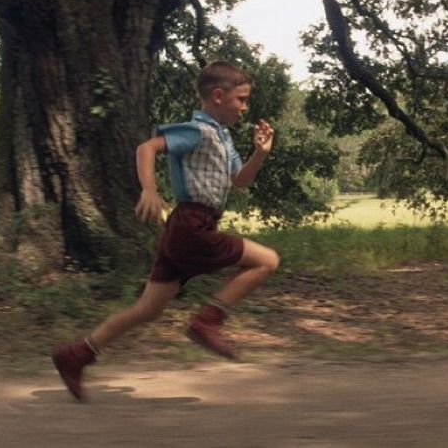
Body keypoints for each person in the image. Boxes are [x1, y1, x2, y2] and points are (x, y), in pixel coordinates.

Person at [52, 61, 279, 400]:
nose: (244, 107)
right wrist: (149, 190)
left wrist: (259, 154)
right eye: (241, 99)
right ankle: (207, 321)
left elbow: (240, 180)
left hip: (185, 229)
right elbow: (147, 148)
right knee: (267, 260)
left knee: (148, 308)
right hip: (192, 225)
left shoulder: (223, 137)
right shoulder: (197, 131)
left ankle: (77, 354)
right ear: (218, 96)